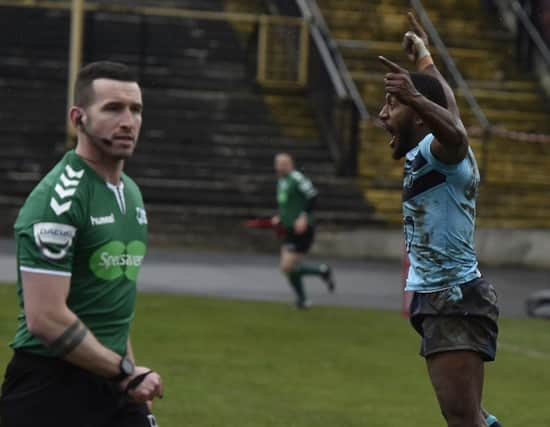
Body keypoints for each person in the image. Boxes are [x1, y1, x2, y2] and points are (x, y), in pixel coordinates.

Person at [0, 61, 163, 427]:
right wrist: (125, 372)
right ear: (79, 117)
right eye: (112, 108)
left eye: (135, 109)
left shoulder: (131, 193)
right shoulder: (58, 199)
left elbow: (112, 307)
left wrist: (128, 376)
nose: (128, 120)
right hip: (50, 389)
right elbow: (46, 319)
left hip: (109, 375)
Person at [378, 13, 502, 427]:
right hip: (447, 299)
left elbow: (456, 132)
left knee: (463, 420)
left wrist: (412, 94)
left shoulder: (442, 152)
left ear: (417, 115)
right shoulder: (433, 146)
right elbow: (450, 109)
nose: (382, 114)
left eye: (391, 106)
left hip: (453, 300)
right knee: (472, 418)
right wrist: (426, 59)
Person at [272, 153, 335, 309]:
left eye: (283, 163)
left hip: (302, 229)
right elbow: (288, 204)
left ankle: (305, 296)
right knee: (288, 267)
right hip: (288, 229)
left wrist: (303, 216)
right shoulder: (282, 181)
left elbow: (312, 196)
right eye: (278, 163)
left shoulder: (297, 178)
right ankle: (318, 276)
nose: (280, 167)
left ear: (291, 164)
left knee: (287, 266)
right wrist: (280, 217)